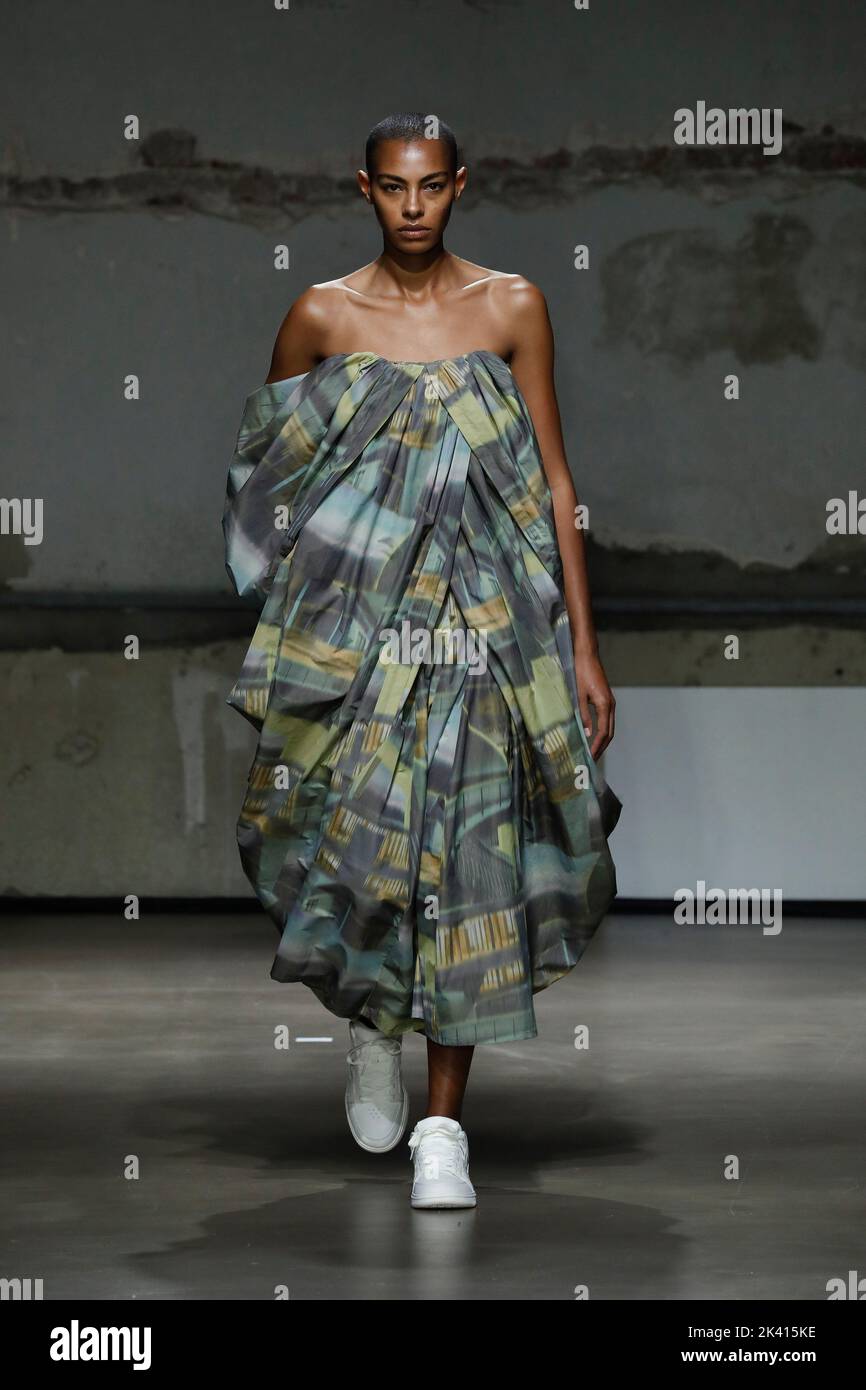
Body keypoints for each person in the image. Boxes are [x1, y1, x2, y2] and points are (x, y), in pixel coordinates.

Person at [222, 112, 622, 1210]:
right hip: (361, 649)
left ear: (458, 186)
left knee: (475, 863)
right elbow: (267, 481)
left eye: (431, 187)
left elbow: (550, 479)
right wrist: (313, 617)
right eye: (394, 188)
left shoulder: (510, 306)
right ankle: (369, 1022)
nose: (412, 207)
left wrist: (581, 645)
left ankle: (442, 1125)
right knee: (358, 854)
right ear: (364, 189)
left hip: (488, 638)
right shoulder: (319, 317)